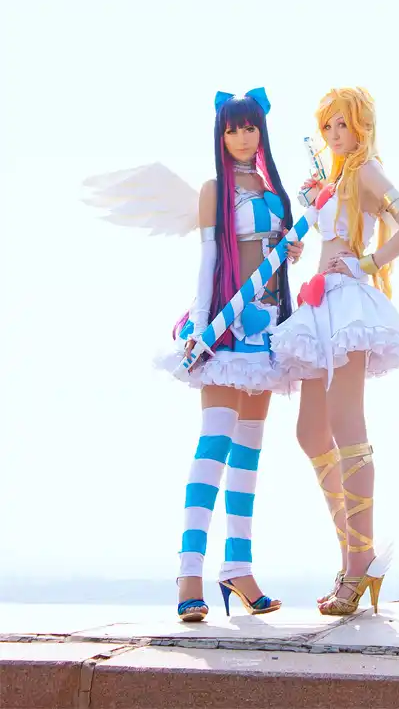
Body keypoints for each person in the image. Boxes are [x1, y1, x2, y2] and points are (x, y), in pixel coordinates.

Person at [269, 87, 399, 616]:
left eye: (344, 124)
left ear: (362, 126)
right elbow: (330, 237)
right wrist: (301, 248)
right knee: (310, 432)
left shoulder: (367, 171)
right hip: (319, 302)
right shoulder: (335, 179)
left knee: (345, 427)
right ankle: (354, 556)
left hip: (347, 304)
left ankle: (359, 565)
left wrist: (368, 263)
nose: (336, 134)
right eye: (329, 126)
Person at [159, 88, 304, 622]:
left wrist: (290, 251)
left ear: (261, 131)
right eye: (232, 128)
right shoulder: (214, 190)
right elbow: (208, 261)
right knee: (213, 445)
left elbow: (274, 258)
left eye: (250, 127)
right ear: (220, 135)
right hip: (225, 327)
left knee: (248, 455)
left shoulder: (273, 189)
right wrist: (201, 328)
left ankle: (238, 567)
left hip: (267, 330)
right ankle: (188, 572)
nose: (242, 137)